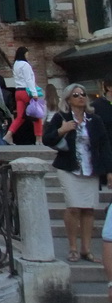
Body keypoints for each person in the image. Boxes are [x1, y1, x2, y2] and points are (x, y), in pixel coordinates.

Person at [43, 83, 112, 262]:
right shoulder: (61, 117)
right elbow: (46, 139)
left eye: (83, 94)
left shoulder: (94, 119)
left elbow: (104, 145)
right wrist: (61, 130)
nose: (81, 97)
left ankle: (86, 249)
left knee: (88, 210)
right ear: (68, 99)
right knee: (73, 207)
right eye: (76, 95)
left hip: (90, 169)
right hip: (69, 167)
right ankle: (73, 247)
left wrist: (109, 170)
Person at [5, 46, 43, 145]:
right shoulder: (25, 65)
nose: (28, 55)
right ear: (24, 54)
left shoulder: (15, 65)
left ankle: (9, 134)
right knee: (36, 114)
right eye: (27, 53)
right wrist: (34, 93)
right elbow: (29, 80)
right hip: (26, 92)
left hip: (18, 92)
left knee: (20, 117)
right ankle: (39, 139)